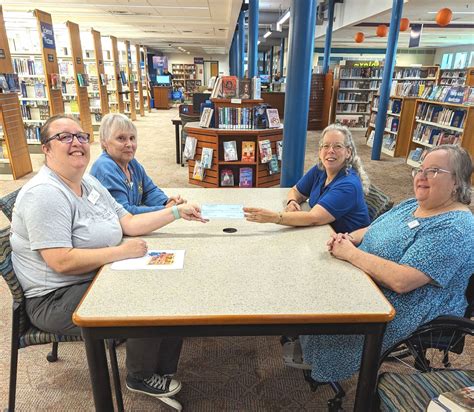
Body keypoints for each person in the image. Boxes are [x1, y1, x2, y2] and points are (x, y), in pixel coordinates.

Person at [10, 114, 206, 401]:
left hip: (96, 274)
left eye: (80, 136)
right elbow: (61, 261)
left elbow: (129, 222)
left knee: (169, 283)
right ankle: (139, 375)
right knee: (148, 299)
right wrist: (120, 252)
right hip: (55, 297)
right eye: (64, 137)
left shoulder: (88, 182)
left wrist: (176, 212)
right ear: (46, 149)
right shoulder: (44, 194)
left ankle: (161, 369)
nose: (76, 142)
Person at [301, 144, 474, 383]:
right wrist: (349, 238)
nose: (421, 176)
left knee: (331, 311)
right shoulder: (413, 205)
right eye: (420, 169)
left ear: (457, 181)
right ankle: (308, 348)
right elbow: (373, 229)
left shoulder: (455, 228)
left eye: (433, 171)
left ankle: (323, 363)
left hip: (407, 305)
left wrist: (350, 254)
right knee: (314, 281)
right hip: (368, 276)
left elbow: (402, 281)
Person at [244, 124, 371, 233]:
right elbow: (296, 191)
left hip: (348, 243)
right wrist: (292, 202)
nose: (330, 151)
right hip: (323, 233)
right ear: (320, 151)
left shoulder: (348, 185)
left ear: (348, 152)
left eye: (337, 146)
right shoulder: (321, 169)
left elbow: (314, 218)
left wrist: (274, 217)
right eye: (326, 146)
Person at [91, 113, 185, 214]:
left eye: (132, 138)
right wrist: (166, 210)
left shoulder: (131, 163)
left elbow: (149, 190)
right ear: (104, 142)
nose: (129, 144)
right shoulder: (105, 169)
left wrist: (166, 201)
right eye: (121, 138)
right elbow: (124, 213)